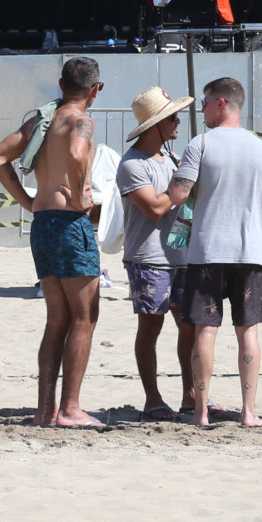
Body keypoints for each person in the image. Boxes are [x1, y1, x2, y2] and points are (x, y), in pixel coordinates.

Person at [166, 77, 262, 427]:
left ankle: (202, 412)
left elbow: (178, 195)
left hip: (207, 251)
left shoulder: (201, 144)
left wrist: (182, 183)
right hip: (248, 252)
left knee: (206, 331)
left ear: (221, 103)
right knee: (248, 331)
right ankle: (249, 411)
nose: (201, 110)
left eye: (204, 103)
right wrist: (245, 205)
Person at [0, 55, 104, 427]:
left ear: (60, 85)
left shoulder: (42, 120)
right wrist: (78, 198)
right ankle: (70, 408)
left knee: (57, 318)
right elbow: (74, 152)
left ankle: (44, 409)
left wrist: (27, 200)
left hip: (43, 221)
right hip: (70, 222)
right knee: (85, 316)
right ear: (94, 90)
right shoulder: (81, 120)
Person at [116, 84, 195, 421]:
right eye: (172, 117)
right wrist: (185, 184)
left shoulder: (171, 158)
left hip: (180, 254)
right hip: (149, 258)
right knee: (151, 329)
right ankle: (153, 399)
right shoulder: (133, 164)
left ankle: (191, 395)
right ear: (156, 125)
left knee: (189, 327)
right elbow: (155, 207)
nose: (178, 123)